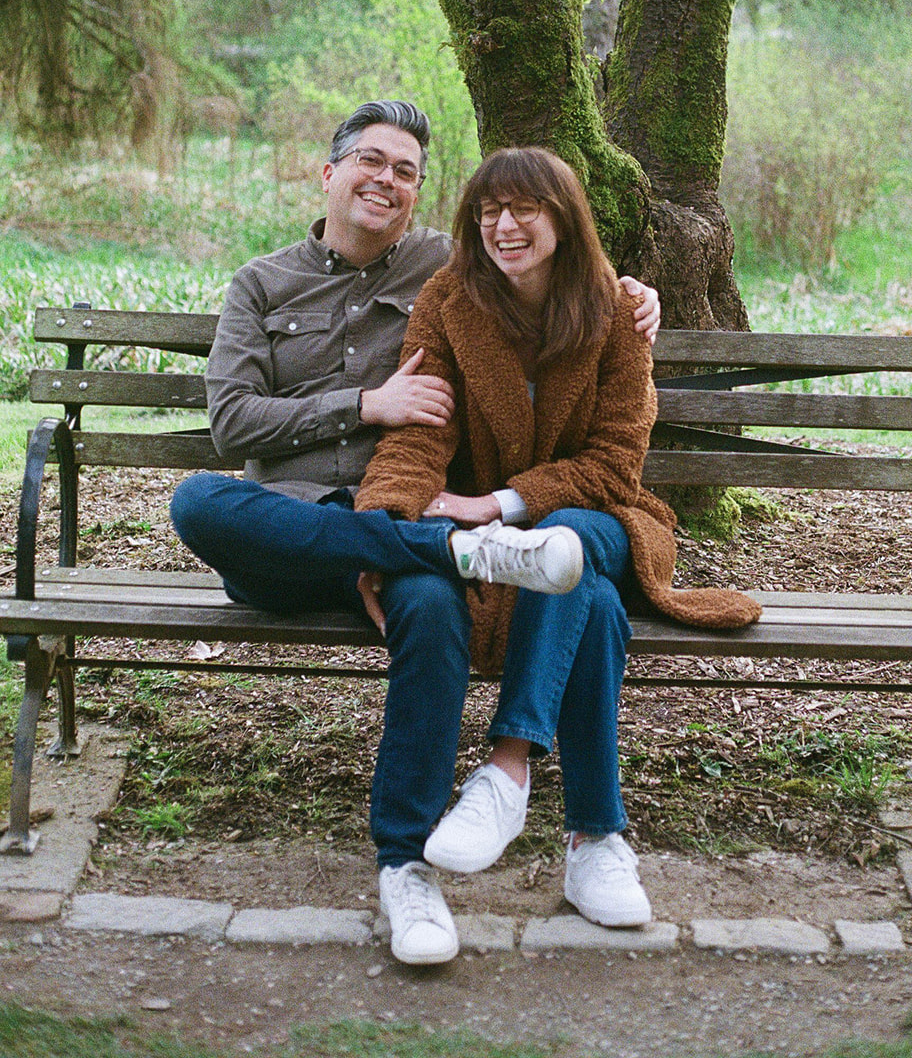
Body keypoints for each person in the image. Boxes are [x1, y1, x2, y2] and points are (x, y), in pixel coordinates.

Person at [169, 100, 663, 966]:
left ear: (420, 196)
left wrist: (632, 292)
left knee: (465, 600)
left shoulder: (449, 269)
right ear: (328, 174)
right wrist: (366, 404)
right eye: (369, 160)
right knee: (197, 502)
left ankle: (410, 864)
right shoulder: (261, 284)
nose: (385, 180)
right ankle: (584, 825)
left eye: (405, 172)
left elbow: (548, 260)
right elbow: (232, 425)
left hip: (402, 516)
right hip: (301, 530)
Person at [355, 148, 761, 948]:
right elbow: (416, 439)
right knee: (590, 601)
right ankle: (593, 840)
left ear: (564, 218)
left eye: (524, 209)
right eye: (486, 211)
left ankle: (507, 770)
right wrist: (389, 523)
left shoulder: (614, 311)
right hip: (482, 549)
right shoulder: (447, 301)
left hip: (605, 515)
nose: (503, 227)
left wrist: (499, 503)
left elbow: (615, 462)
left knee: (568, 542)